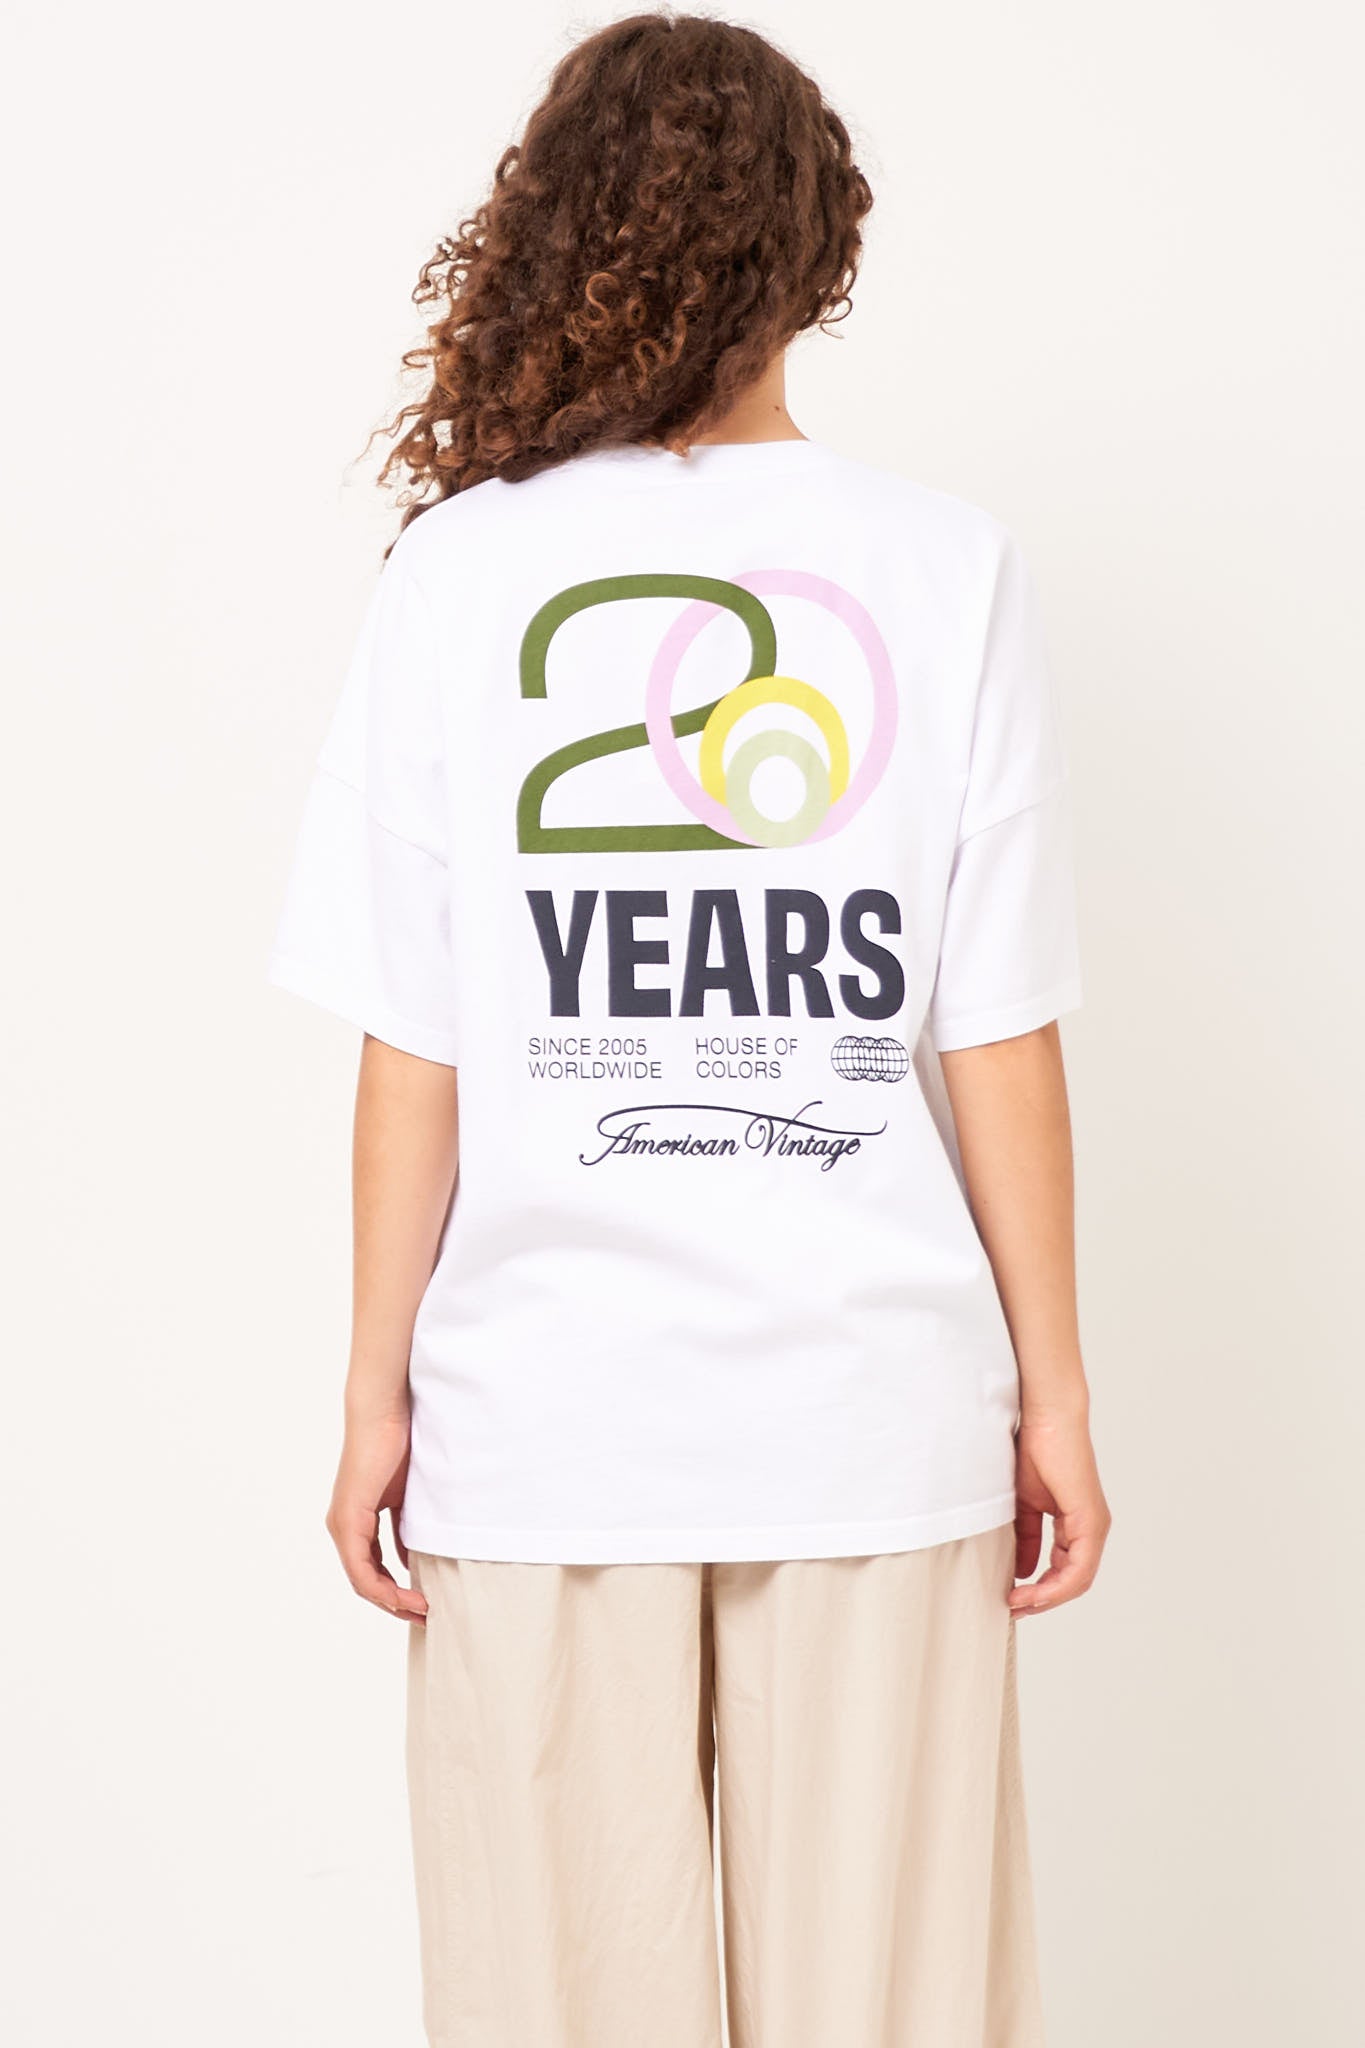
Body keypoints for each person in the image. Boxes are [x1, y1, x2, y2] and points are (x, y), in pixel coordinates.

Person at [269, 12, 1110, 2045]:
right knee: (888, 2007)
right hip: (872, 1406)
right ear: (819, 250)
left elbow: (416, 1040)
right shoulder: (940, 569)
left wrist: (376, 1389)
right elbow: (990, 1029)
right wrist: (1052, 1390)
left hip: (541, 1415)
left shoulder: (461, 573)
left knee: (553, 2006)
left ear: (558, 233)